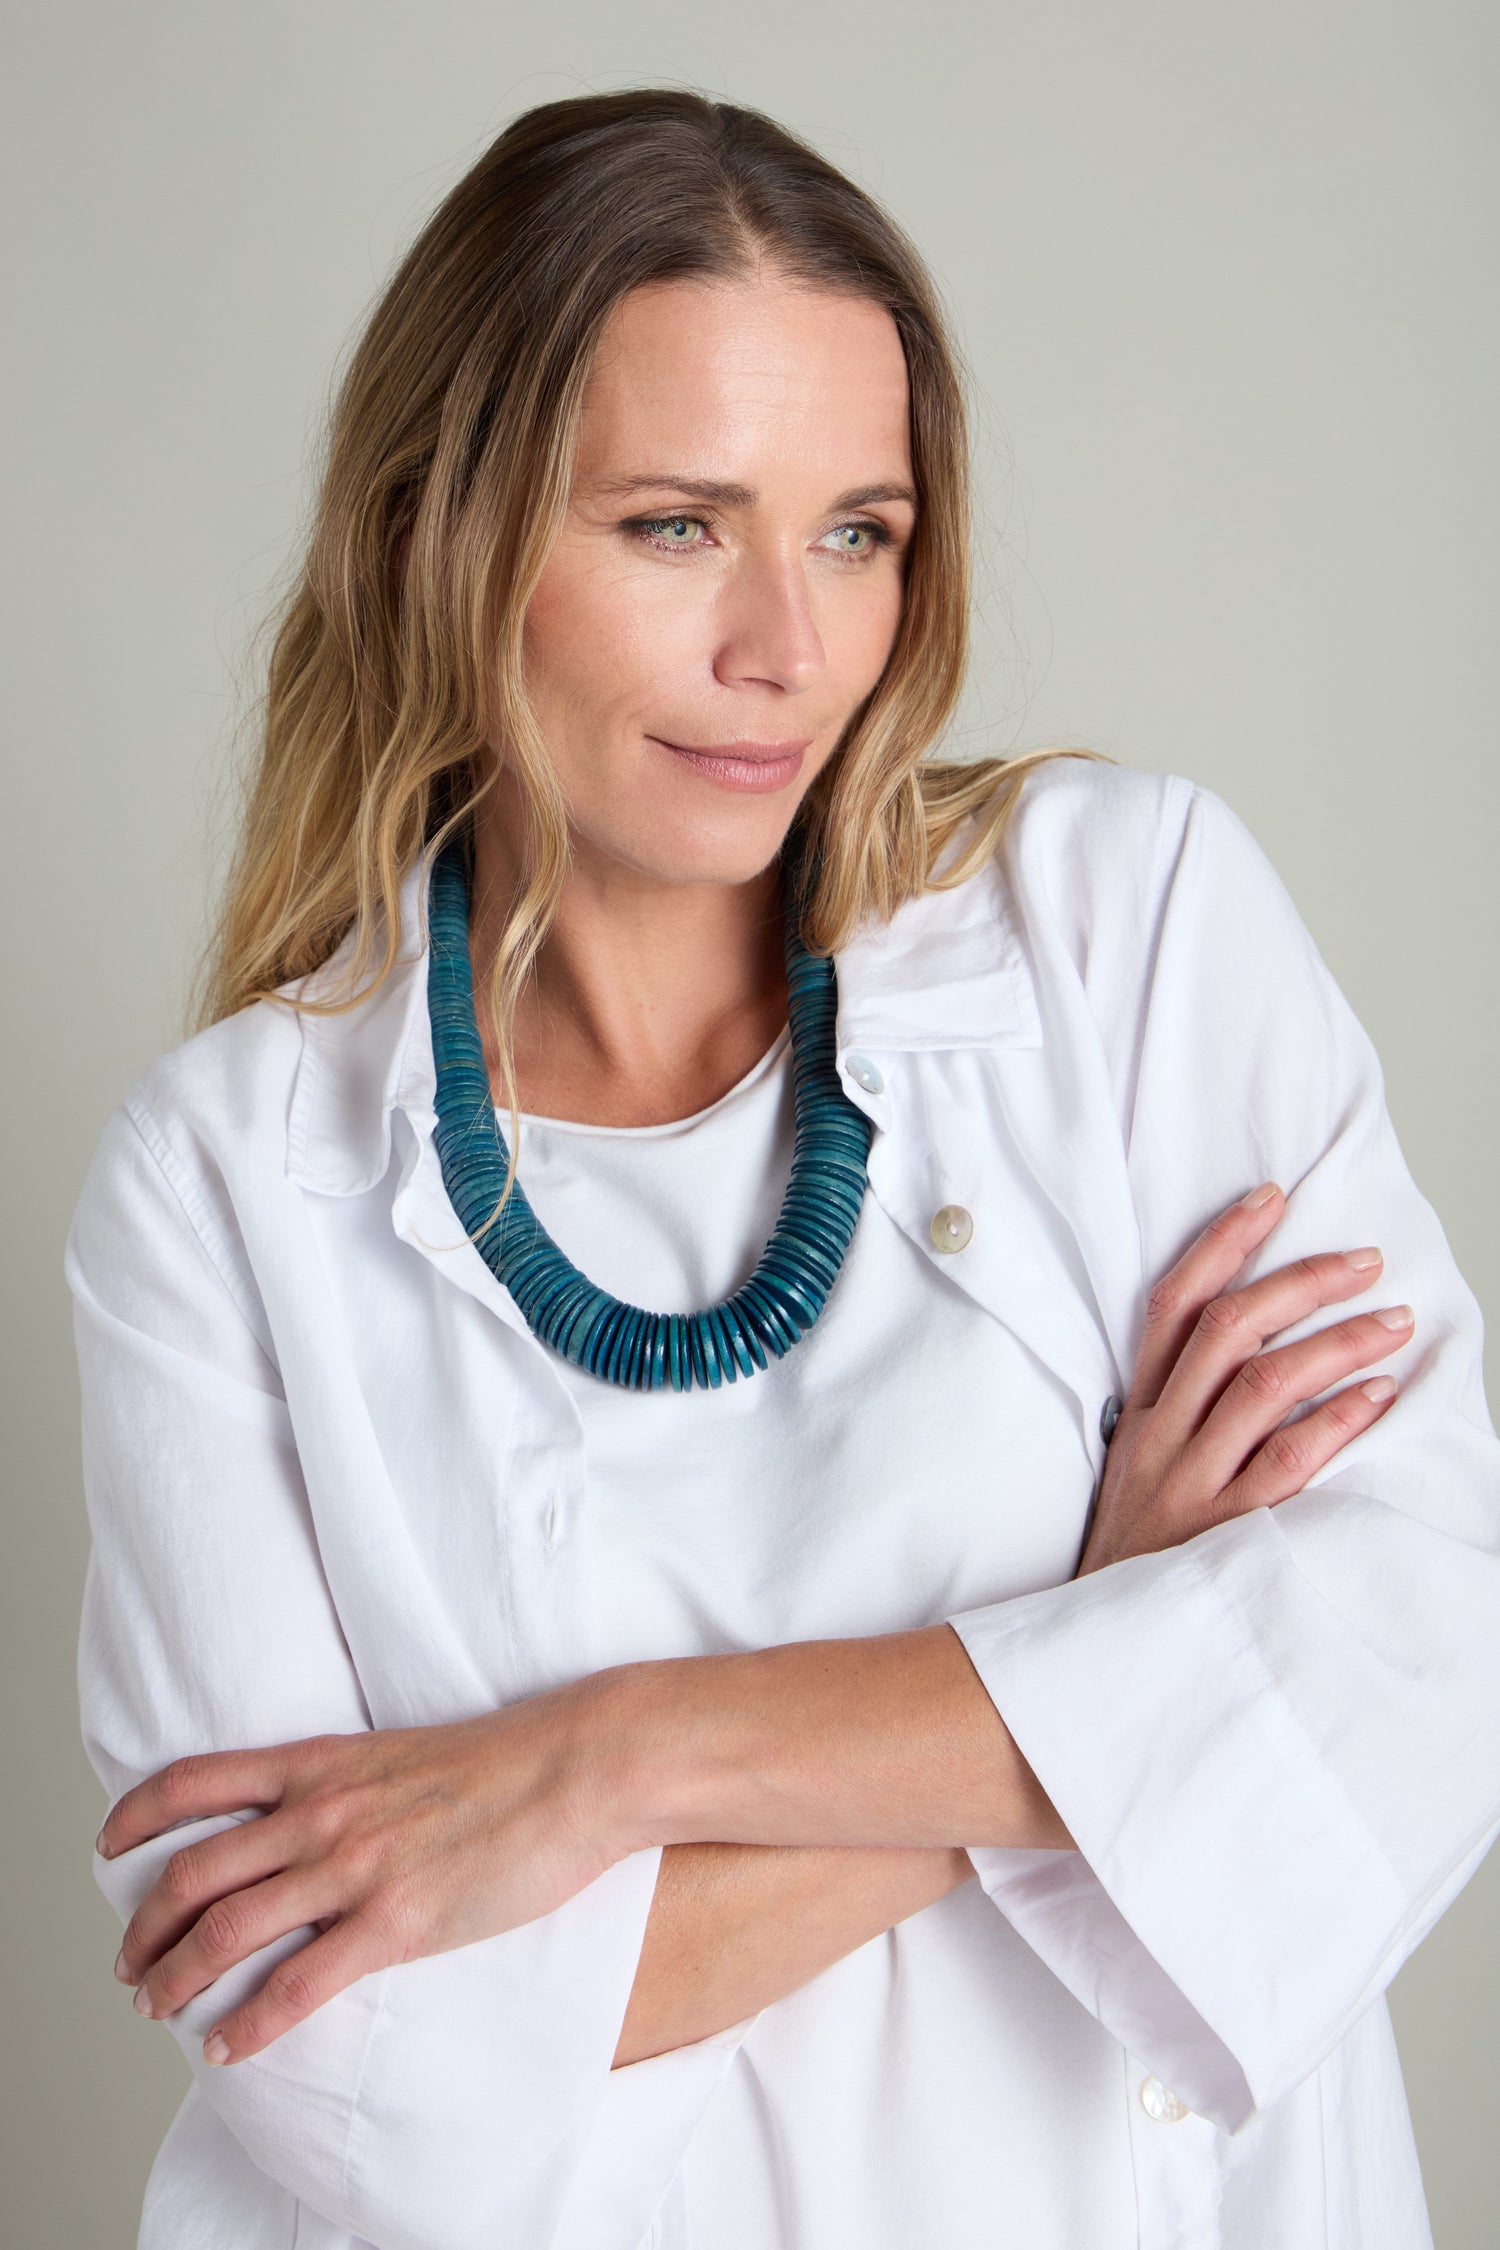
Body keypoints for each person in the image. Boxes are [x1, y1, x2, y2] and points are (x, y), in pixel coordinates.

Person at [66, 88, 1498, 2250]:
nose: (790, 649)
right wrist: (1105, 1646)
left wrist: (607, 1765)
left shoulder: (1127, 927)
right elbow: (368, 2086)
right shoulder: (224, 1184)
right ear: (438, 537)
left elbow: (1413, 1653)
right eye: (673, 526)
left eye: (859, 529)